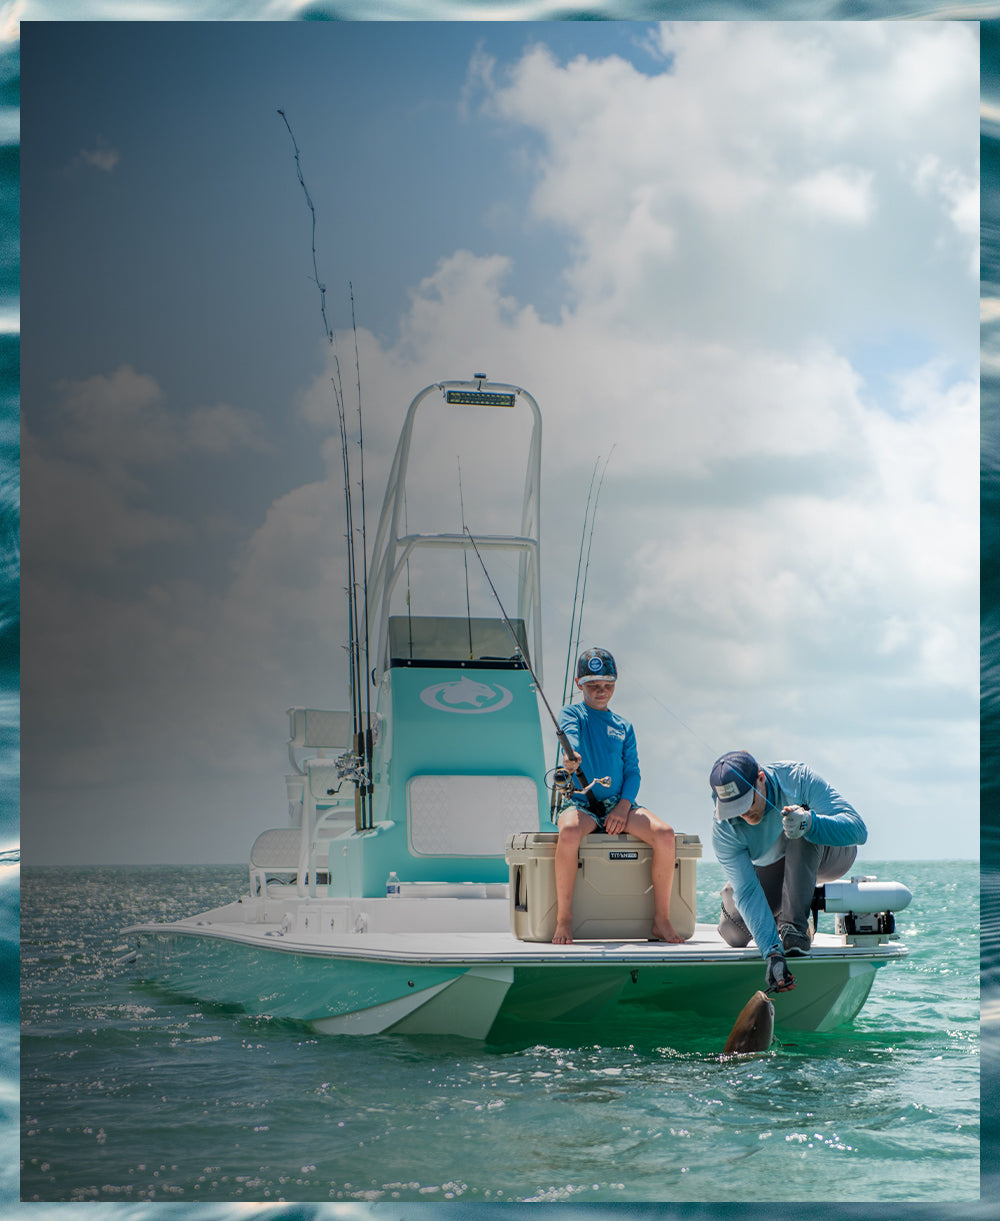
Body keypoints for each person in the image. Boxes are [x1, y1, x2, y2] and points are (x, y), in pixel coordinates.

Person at [552, 647, 686, 946]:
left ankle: (661, 921)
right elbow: (570, 739)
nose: (601, 692)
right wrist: (571, 757)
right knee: (570, 831)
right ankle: (564, 919)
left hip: (618, 805)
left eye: (608, 686)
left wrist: (623, 808)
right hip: (581, 803)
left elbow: (633, 773)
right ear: (579, 684)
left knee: (665, 834)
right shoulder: (571, 713)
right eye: (593, 686)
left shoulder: (624, 726)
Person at [709, 749, 867, 993]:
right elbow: (748, 891)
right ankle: (793, 904)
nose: (743, 814)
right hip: (775, 866)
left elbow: (858, 830)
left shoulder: (797, 778)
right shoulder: (724, 828)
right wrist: (772, 952)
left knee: (799, 821)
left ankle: (795, 925)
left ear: (761, 778)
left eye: (747, 802)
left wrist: (811, 822)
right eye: (734, 809)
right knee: (733, 932)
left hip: (831, 853)